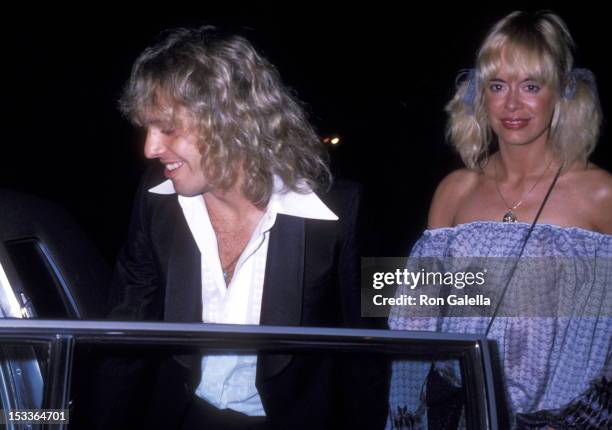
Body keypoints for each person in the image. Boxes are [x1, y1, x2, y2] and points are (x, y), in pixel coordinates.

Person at [97, 26, 386, 430]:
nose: (150, 148)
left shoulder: (345, 209)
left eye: (168, 128)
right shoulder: (155, 199)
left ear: (231, 120)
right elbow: (124, 337)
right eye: (147, 128)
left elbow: (371, 354)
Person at [389, 11, 612, 429]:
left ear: (562, 91)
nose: (512, 104)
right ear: (479, 95)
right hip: (459, 413)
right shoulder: (455, 191)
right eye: (497, 86)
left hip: (569, 420)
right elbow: (414, 320)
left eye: (531, 86)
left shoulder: (601, 194)